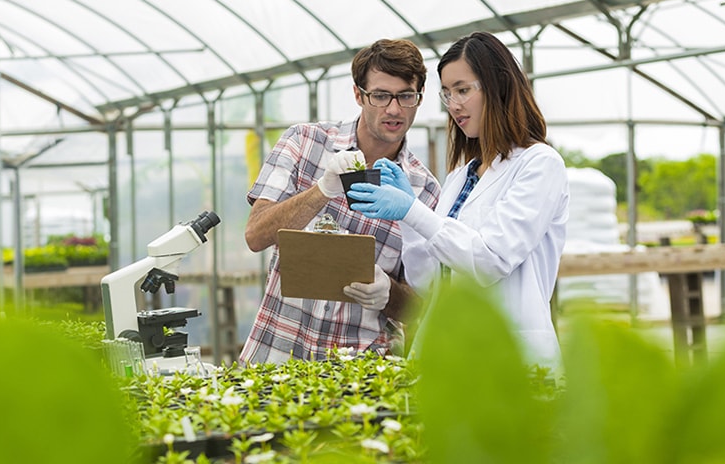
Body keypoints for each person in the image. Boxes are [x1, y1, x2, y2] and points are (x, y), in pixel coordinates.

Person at [347, 31, 569, 371]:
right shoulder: (459, 177)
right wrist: (409, 223)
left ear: (499, 86)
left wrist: (413, 210)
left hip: (507, 355)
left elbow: (491, 260)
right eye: (447, 94)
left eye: (463, 90)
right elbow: (428, 282)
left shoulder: (539, 164)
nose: (454, 105)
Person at [239, 38, 441, 365]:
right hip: (276, 355)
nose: (394, 109)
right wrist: (321, 191)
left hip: (360, 371)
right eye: (380, 95)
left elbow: (421, 306)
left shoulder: (425, 190)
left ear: (419, 98)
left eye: (406, 96)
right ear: (358, 95)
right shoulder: (304, 143)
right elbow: (256, 235)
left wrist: (387, 292)